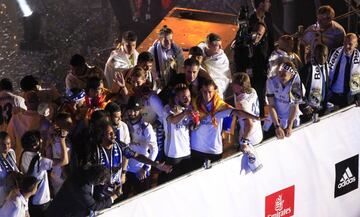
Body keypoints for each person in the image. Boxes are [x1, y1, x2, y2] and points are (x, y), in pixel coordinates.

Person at [89, 120, 171, 198]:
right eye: (109, 133)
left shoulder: (120, 146)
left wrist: (155, 164)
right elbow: (90, 175)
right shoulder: (95, 152)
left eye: (113, 132)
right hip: (101, 192)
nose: (113, 135)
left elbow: (137, 156)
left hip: (117, 188)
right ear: (102, 136)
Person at [190, 79, 260, 168]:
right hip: (196, 149)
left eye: (210, 92)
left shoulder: (220, 106)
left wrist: (255, 117)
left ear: (214, 90)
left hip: (214, 151)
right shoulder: (195, 103)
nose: (207, 95)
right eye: (204, 92)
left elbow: (236, 112)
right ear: (201, 90)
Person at [19, 130, 68, 217]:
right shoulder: (40, 162)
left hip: (30, 201)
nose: (41, 141)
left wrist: (47, 141)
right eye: (40, 140)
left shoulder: (23, 155)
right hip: (42, 203)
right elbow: (64, 161)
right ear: (35, 145)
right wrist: (62, 140)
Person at [45, 165, 122, 217]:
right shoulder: (83, 188)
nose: (104, 184)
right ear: (96, 181)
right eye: (103, 182)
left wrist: (108, 187)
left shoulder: (84, 170)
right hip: (62, 213)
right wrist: (113, 197)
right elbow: (94, 206)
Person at [123, 96, 158, 196]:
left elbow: (154, 149)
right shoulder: (124, 125)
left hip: (140, 171)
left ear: (140, 110)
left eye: (135, 111)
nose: (132, 113)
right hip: (126, 169)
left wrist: (145, 168)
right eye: (130, 110)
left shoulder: (146, 127)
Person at [160, 84, 195, 182]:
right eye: (184, 97)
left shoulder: (187, 109)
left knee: (187, 182)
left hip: (186, 153)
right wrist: (185, 113)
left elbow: (190, 128)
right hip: (173, 154)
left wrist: (196, 122)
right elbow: (173, 120)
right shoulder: (167, 109)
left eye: (189, 96)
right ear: (176, 98)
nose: (187, 99)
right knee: (173, 183)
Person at [234, 22, 268, 116]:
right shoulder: (242, 43)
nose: (256, 36)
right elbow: (237, 60)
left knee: (258, 103)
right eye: (255, 32)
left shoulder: (263, 47)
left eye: (259, 35)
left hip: (258, 81)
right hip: (243, 81)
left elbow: (263, 64)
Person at [264, 62, 304, 139]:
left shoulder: (297, 86)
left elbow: (294, 107)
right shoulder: (271, 82)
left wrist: (289, 126)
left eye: (284, 74)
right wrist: (277, 126)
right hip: (275, 116)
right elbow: (271, 105)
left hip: (291, 117)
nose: (280, 76)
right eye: (279, 73)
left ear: (291, 75)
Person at [7, 91, 50, 162]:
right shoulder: (44, 120)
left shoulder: (15, 118)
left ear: (25, 103)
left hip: (20, 159)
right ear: (38, 102)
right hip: (39, 160)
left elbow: (10, 142)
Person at [328, 33, 360, 108]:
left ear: (356, 45)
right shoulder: (334, 53)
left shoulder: (359, 57)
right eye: (345, 43)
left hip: (350, 97)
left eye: (350, 44)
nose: (346, 46)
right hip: (334, 95)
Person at [148, 25, 184, 90]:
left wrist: (175, 65)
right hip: (158, 83)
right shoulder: (153, 51)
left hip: (173, 82)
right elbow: (151, 69)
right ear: (160, 39)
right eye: (166, 40)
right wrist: (157, 78)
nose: (169, 43)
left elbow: (181, 66)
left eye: (171, 40)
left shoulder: (177, 50)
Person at [300, 43, 331, 118]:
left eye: (325, 55)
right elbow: (300, 89)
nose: (323, 58)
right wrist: (305, 105)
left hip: (322, 107)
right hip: (309, 109)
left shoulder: (327, 66)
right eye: (320, 55)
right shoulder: (308, 68)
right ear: (315, 54)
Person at [44, 113, 72, 195]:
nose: (70, 126)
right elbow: (48, 155)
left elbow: (64, 161)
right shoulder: (56, 139)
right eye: (67, 124)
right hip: (58, 176)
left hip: (61, 176)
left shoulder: (66, 141)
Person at [198, 33, 231, 99]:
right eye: (217, 45)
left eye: (220, 45)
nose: (221, 48)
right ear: (208, 45)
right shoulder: (199, 50)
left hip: (218, 80)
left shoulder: (222, 58)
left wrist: (213, 82)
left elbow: (224, 77)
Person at [0, 132, 20, 207]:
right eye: (2, 144)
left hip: (14, 195)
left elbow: (15, 168)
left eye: (8, 143)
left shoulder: (11, 152)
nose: (6, 147)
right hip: (2, 198)